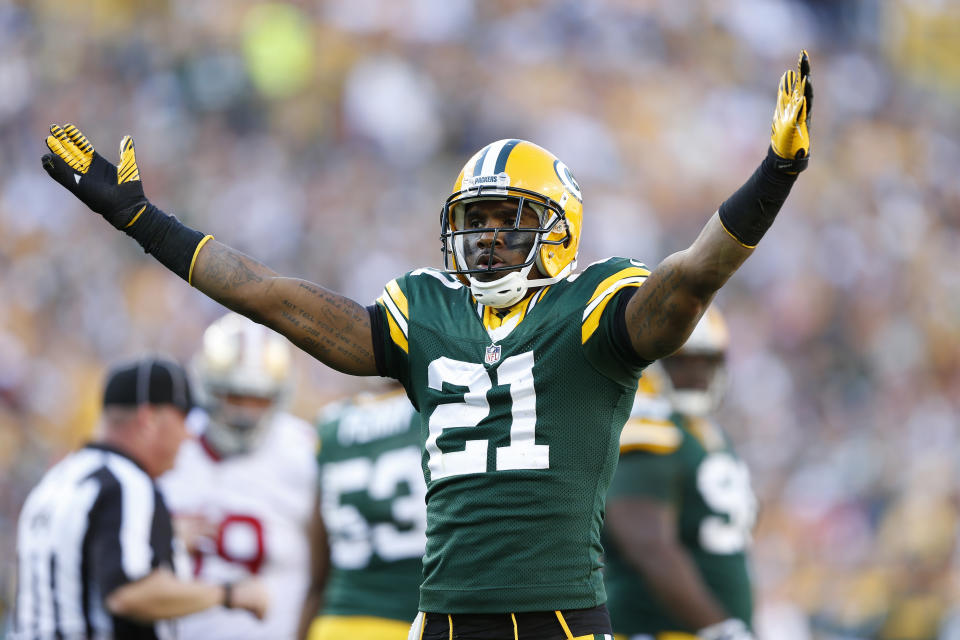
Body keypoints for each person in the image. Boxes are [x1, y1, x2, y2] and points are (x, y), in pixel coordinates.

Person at [39, 50, 812, 639]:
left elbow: (690, 279)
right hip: (442, 616)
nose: (485, 239)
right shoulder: (426, 309)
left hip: (561, 616)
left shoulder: (594, 307)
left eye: (508, 219)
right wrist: (143, 222)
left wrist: (774, 173)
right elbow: (266, 295)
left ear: (559, 228)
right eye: (474, 221)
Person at [10, 356, 268, 640]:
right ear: (149, 419)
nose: (188, 436)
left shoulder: (59, 479)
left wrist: (166, 541)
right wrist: (229, 594)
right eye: (183, 420)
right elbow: (129, 593)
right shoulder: (128, 484)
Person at [158, 313, 318, 640]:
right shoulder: (173, 446)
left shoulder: (304, 453)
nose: (245, 414)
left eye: (258, 399)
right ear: (208, 388)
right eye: (234, 396)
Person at [603, 307, 758, 640]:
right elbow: (645, 543)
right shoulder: (648, 423)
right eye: (681, 360)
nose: (695, 372)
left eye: (706, 360)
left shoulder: (702, 431)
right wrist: (718, 627)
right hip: (652, 630)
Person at [297, 383, 426, 640]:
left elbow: (317, 570)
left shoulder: (330, 423)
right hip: (414, 624)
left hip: (336, 624)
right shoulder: (435, 411)